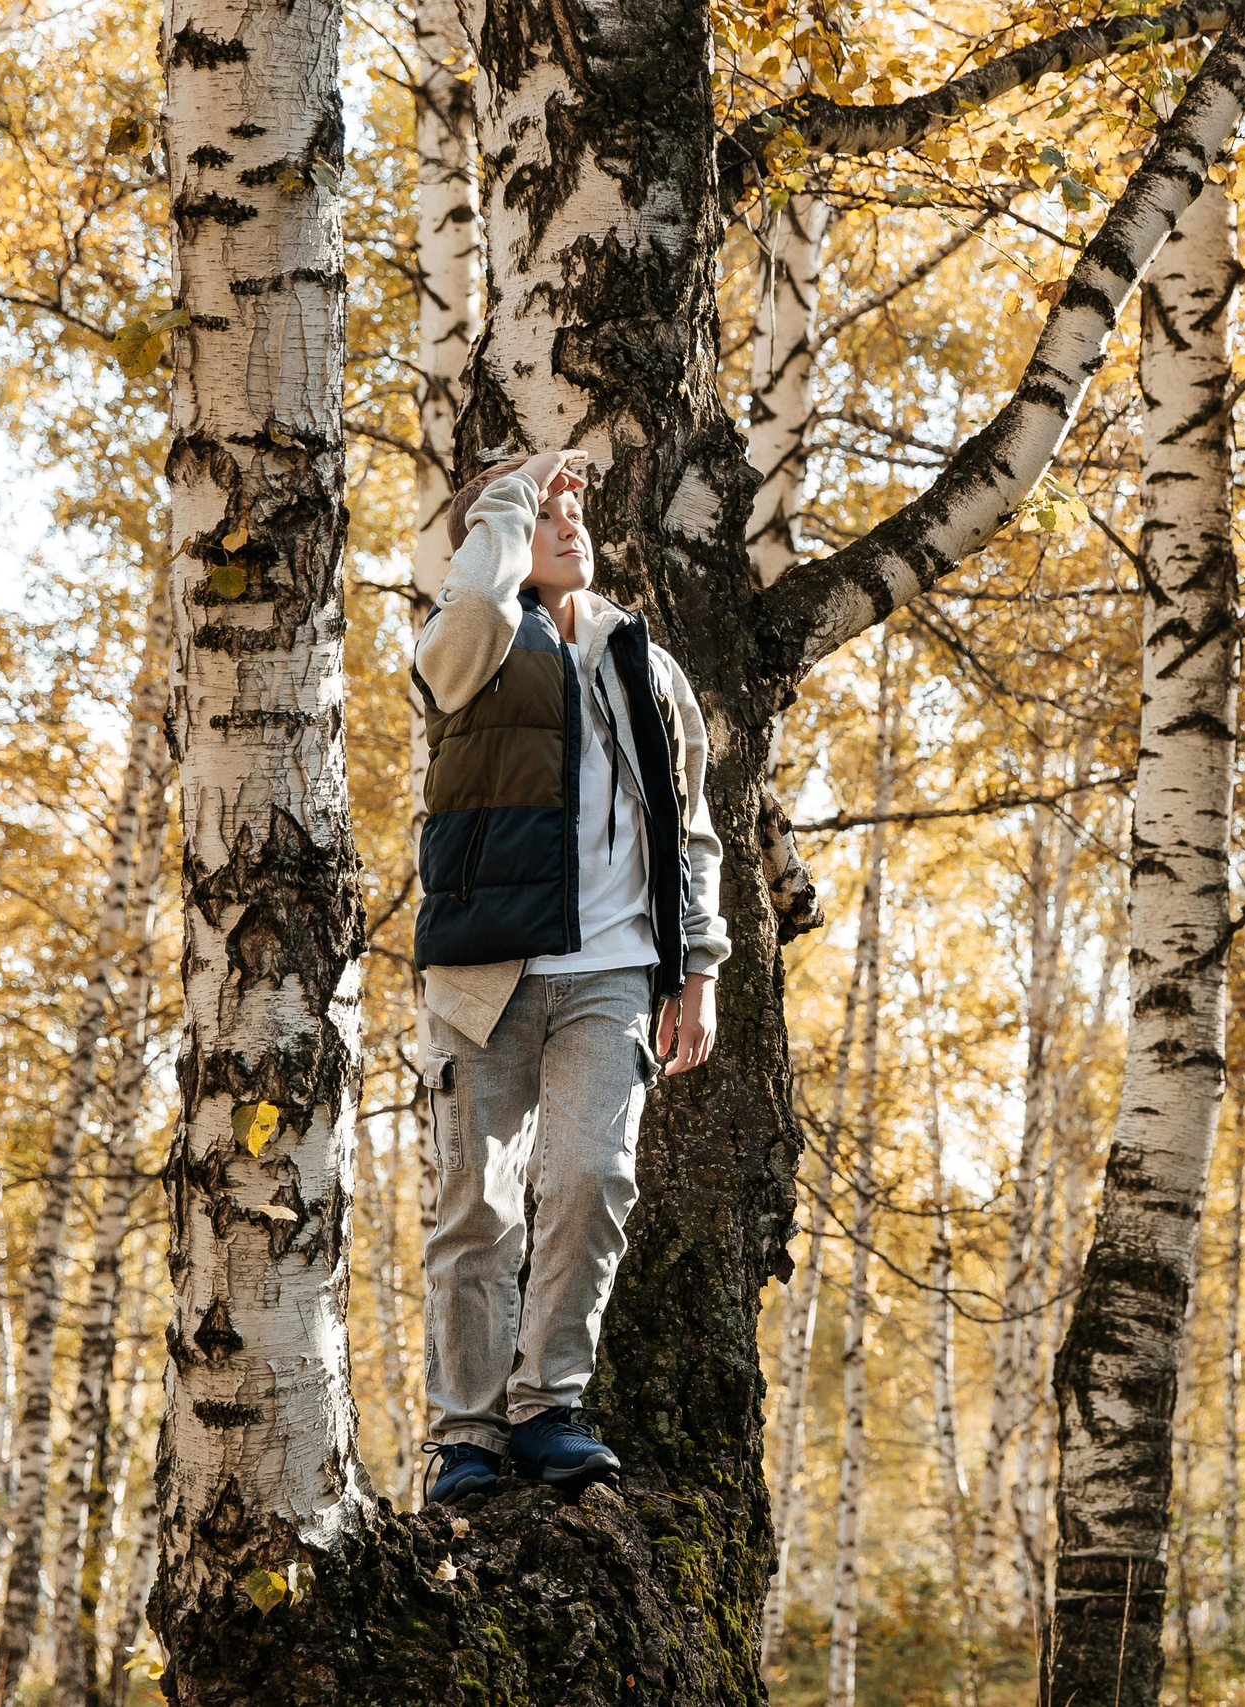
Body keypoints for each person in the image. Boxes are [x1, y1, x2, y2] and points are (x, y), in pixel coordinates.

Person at [412, 447, 730, 1506]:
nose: (569, 525)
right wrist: (514, 489)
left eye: (574, 514)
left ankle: (548, 1406)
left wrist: (699, 968)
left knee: (592, 1179)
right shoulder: (471, 643)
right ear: (497, 538)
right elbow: (471, 607)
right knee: (478, 1207)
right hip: (484, 975)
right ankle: (467, 1433)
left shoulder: (643, 662)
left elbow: (689, 829)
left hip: (614, 974)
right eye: (542, 515)